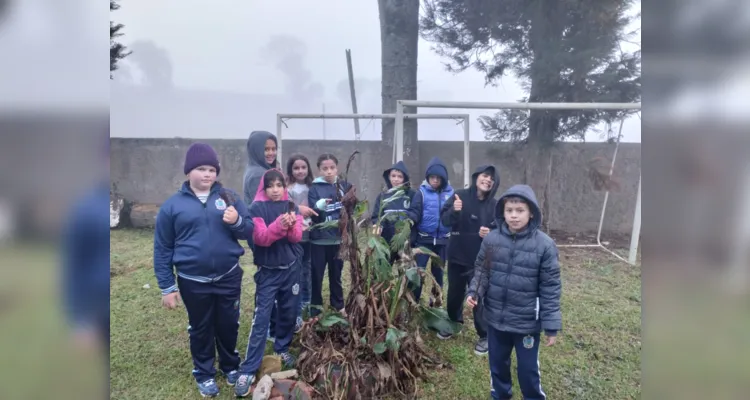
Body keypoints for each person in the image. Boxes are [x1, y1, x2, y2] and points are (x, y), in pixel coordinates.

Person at [153, 143, 254, 398]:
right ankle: (204, 373)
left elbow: (249, 229)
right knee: (201, 327)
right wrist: (167, 287)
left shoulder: (228, 198)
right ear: (189, 171)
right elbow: (163, 248)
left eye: (212, 169)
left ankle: (231, 366)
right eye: (201, 169)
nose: (207, 174)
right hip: (192, 280)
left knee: (229, 323)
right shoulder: (172, 206)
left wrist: (237, 221)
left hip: (228, 275)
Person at [465, 184, 562, 400]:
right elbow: (482, 271)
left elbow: (551, 287)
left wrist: (551, 324)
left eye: (520, 211)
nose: (514, 216)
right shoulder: (491, 240)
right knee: (498, 365)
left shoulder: (545, 245)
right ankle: (500, 395)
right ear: (503, 212)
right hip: (496, 320)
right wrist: (474, 292)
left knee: (528, 370)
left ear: (531, 213)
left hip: (526, 323)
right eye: (509, 211)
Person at [234, 169, 304, 397]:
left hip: (291, 269)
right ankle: (248, 368)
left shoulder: (291, 205)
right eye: (270, 186)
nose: (275, 190)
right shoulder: (256, 208)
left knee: (288, 310)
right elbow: (261, 238)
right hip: (269, 273)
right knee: (261, 317)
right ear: (263, 188)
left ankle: (282, 347)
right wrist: (280, 225)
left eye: (279, 185)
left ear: (285, 186)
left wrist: (292, 225)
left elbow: (296, 238)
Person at [438, 165, 499, 356]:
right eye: (485, 176)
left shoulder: (495, 205)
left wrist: (491, 232)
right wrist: (455, 211)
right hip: (457, 254)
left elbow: (501, 228)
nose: (487, 180)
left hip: (480, 259)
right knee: (454, 292)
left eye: (492, 179)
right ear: (476, 177)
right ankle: (453, 321)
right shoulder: (459, 195)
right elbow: (445, 221)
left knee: (478, 296)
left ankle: (484, 334)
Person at [308, 153, 352, 316]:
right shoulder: (314, 189)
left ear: (337, 168)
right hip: (318, 241)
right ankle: (316, 308)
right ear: (319, 170)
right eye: (324, 168)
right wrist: (318, 207)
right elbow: (313, 216)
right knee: (316, 276)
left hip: (337, 240)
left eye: (332, 168)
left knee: (336, 275)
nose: (328, 172)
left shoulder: (345, 186)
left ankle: (338, 304)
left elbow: (350, 211)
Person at [407, 156, 454, 305]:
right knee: (418, 273)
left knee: (438, 275)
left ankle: (435, 304)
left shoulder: (451, 194)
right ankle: (413, 303)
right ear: (428, 177)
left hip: (442, 242)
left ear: (443, 179)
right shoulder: (420, 193)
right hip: (424, 241)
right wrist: (409, 220)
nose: (435, 180)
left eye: (438, 178)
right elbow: (415, 211)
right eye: (432, 177)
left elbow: (454, 216)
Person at [285, 154, 318, 327]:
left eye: (303, 167)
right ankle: (296, 310)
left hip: (311, 237)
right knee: (296, 273)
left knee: (308, 270)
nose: (300, 171)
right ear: (291, 170)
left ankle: (307, 303)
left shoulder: (313, 187)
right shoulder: (287, 188)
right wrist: (299, 209)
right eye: (296, 168)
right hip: (295, 237)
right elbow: (285, 207)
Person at [370, 160, 416, 259]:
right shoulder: (383, 196)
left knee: (405, 272)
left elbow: (416, 213)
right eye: (393, 176)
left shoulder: (411, 195)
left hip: (405, 241)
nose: (396, 179)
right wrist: (377, 226)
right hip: (386, 241)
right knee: (385, 271)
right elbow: (376, 216)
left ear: (405, 179)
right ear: (389, 177)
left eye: (400, 177)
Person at [243, 130, 278, 205]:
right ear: (256, 150)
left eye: (273, 149)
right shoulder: (258, 174)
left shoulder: (254, 167)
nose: (271, 153)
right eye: (266, 149)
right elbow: (265, 206)